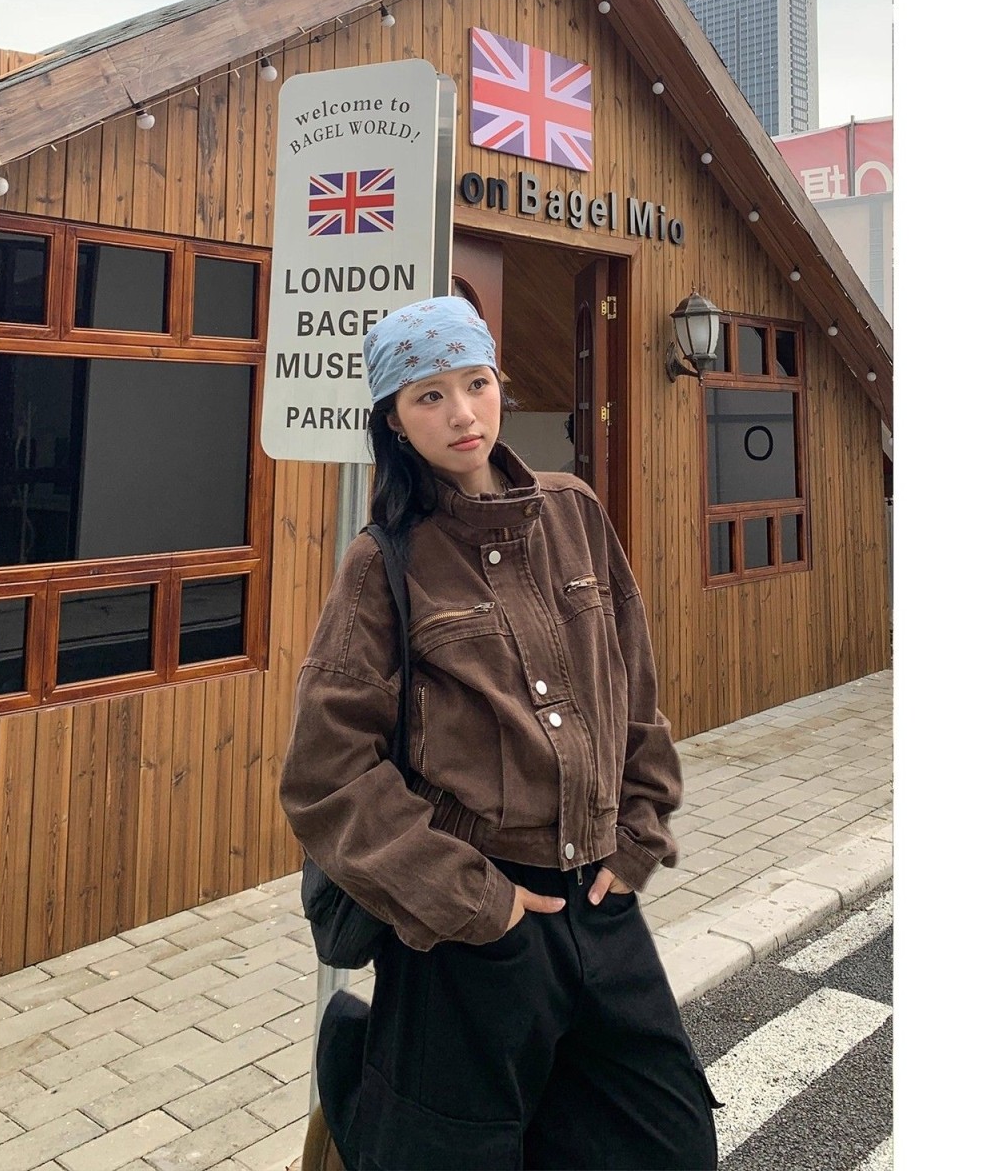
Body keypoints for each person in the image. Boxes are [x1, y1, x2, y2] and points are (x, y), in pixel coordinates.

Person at [281, 295, 720, 1171]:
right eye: (429, 396)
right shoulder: (383, 563)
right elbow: (327, 776)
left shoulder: (574, 512)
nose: (462, 413)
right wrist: (475, 901)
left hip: (601, 900)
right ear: (395, 421)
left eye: (475, 384)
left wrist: (638, 831)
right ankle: (366, 1094)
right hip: (471, 927)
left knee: (668, 1143)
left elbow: (632, 687)